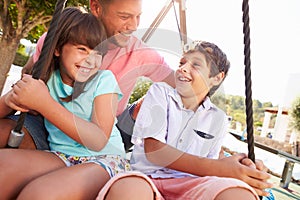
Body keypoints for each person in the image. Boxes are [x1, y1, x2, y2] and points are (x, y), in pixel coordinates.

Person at [96, 40, 273, 200]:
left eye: (195, 65)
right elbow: (154, 151)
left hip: (190, 185)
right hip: (147, 177)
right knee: (130, 189)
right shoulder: (161, 93)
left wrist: (243, 170)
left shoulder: (218, 118)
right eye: (181, 63)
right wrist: (221, 168)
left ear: (217, 78)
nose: (183, 68)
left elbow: (211, 165)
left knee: (240, 194)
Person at [0, 0, 175, 151]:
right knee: (5, 133)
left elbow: (181, 84)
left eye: (138, 16)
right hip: (49, 122)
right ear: (96, 7)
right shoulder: (56, 39)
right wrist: (27, 90)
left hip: (105, 129)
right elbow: (29, 71)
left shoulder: (141, 53)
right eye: (124, 16)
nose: (134, 26)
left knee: (147, 102)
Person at [0, 7, 130, 199]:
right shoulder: (44, 78)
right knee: (3, 166)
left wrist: (44, 103)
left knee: (39, 193)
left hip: (104, 160)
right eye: (82, 49)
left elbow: (98, 139)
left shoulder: (104, 80)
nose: (90, 60)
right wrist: (9, 100)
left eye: (97, 53)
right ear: (59, 49)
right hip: (60, 156)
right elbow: (9, 103)